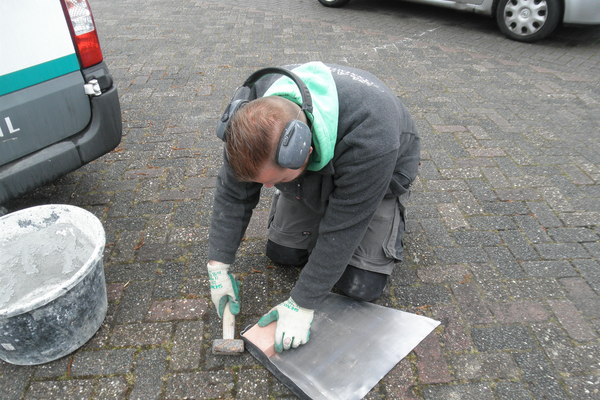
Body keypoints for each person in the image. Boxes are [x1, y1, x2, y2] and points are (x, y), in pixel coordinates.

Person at [207, 61, 420, 353]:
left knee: (361, 287)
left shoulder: (372, 136)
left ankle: (386, 212)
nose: (267, 188)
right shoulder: (248, 114)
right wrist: (218, 264)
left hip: (384, 173)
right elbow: (233, 193)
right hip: (315, 167)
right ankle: (305, 190)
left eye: (276, 180)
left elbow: (344, 227)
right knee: (284, 254)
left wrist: (302, 304)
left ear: (304, 151)